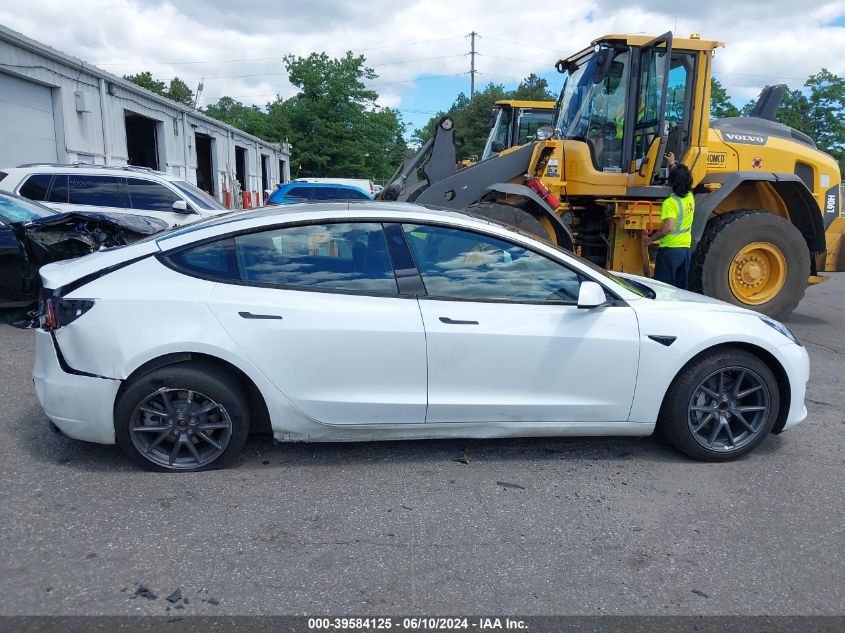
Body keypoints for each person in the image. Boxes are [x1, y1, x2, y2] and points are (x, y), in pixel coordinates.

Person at [644, 157, 694, 289]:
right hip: (685, 251)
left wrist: (651, 239)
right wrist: (672, 164)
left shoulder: (670, 203)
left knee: (663, 288)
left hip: (670, 251)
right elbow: (681, 179)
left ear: (672, 182)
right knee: (680, 289)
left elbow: (668, 228)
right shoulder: (690, 197)